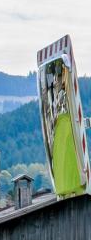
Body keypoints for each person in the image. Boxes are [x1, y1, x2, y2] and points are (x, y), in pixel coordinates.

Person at [46, 61, 84, 198]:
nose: (57, 83)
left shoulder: (62, 122)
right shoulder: (63, 122)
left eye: (59, 79)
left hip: (69, 186)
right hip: (72, 186)